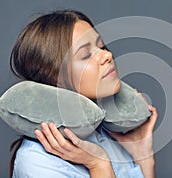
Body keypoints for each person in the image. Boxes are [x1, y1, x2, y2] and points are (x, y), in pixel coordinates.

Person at [9, 10, 157, 178]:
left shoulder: (105, 133)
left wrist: (143, 155)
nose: (107, 55)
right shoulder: (36, 162)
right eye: (86, 55)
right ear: (54, 78)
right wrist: (98, 164)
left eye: (101, 46)